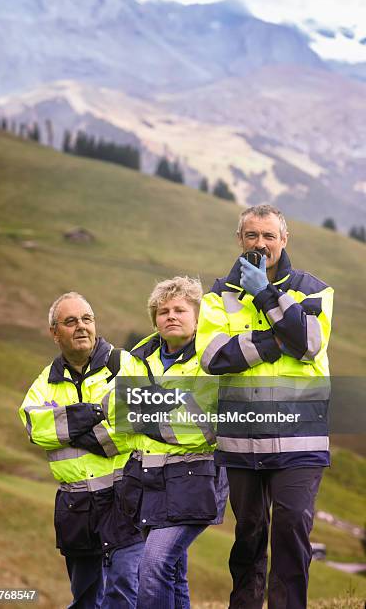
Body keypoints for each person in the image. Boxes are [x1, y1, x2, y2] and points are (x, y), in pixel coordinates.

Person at [196, 205, 334, 609]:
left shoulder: (313, 289)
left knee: (291, 529)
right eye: (252, 235)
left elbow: (308, 343)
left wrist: (264, 294)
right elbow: (212, 357)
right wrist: (276, 339)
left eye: (269, 236)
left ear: (284, 240)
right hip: (241, 441)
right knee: (249, 535)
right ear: (240, 240)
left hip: (299, 438)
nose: (261, 244)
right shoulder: (216, 296)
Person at [19, 292, 144, 609]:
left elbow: (133, 428)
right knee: (86, 597)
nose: (81, 327)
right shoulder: (45, 381)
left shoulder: (124, 365)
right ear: (54, 332)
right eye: (70, 321)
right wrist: (85, 416)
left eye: (86, 319)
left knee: (124, 587)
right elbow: (35, 427)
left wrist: (68, 428)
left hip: (124, 497)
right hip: (76, 506)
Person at [110, 276, 228, 609]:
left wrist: (144, 406)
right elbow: (119, 417)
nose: (170, 316)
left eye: (179, 309)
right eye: (163, 311)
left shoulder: (211, 358)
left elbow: (200, 427)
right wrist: (173, 404)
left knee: (154, 565)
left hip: (194, 480)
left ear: (196, 315)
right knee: (173, 573)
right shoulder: (136, 357)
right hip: (146, 481)